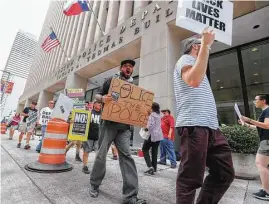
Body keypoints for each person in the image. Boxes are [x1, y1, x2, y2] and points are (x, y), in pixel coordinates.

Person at [173, 28, 235, 204]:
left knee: (225, 174)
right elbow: (193, 80)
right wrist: (206, 45)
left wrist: (205, 48)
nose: (209, 48)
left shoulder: (200, 66)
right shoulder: (185, 60)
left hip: (212, 128)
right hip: (194, 125)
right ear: (194, 47)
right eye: (202, 45)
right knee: (189, 179)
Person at [89, 58, 147, 204]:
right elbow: (97, 95)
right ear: (121, 68)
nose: (128, 68)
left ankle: (131, 195)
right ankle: (94, 185)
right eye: (126, 66)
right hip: (108, 125)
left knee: (127, 157)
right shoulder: (111, 80)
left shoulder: (133, 86)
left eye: (131, 67)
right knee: (101, 155)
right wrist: (103, 98)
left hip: (124, 128)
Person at [240, 94, 269, 201]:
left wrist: (249, 119)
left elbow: (267, 125)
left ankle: (266, 192)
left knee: (261, 164)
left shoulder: (268, 110)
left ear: (263, 101)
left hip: (267, 142)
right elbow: (258, 127)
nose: (254, 102)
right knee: (264, 165)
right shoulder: (265, 111)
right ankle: (265, 189)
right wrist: (246, 124)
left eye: (256, 100)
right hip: (265, 141)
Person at [142, 102, 163, 175]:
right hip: (159, 136)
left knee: (144, 149)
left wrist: (145, 129)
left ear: (152, 108)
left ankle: (150, 167)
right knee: (154, 151)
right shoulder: (159, 115)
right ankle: (154, 168)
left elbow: (150, 125)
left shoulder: (152, 115)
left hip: (152, 135)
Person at [82, 101, 102, 174]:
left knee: (99, 153)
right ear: (94, 105)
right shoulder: (89, 112)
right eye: (98, 103)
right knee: (86, 151)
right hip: (89, 136)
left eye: (100, 103)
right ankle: (84, 166)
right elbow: (81, 120)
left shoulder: (103, 114)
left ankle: (97, 167)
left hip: (98, 137)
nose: (100, 104)